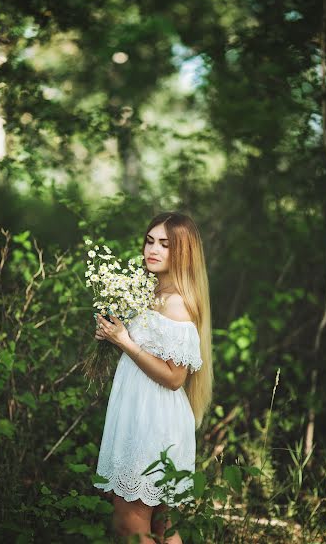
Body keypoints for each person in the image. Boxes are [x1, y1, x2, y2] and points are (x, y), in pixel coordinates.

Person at [92, 211, 213, 543]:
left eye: (165, 244)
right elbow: (146, 355)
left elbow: (175, 378)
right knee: (162, 526)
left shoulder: (177, 303)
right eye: (149, 241)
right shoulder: (149, 291)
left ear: (183, 252)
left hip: (153, 420)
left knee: (128, 525)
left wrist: (125, 342)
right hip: (139, 411)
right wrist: (113, 335)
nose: (153, 250)